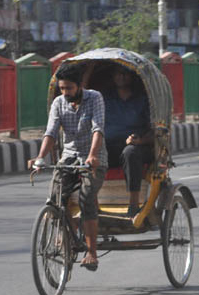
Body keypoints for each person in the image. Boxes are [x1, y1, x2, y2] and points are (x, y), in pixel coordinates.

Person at [28, 63, 107, 271]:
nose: (65, 93)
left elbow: (98, 129)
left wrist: (92, 155)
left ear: (80, 85)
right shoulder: (59, 103)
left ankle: (91, 252)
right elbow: (51, 132)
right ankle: (68, 236)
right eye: (62, 89)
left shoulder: (95, 98)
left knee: (86, 196)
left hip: (93, 158)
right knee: (55, 196)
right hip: (69, 157)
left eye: (69, 88)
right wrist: (40, 158)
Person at [102, 65, 153, 216]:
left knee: (130, 152)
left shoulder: (143, 99)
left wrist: (140, 140)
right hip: (110, 146)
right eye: (118, 74)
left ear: (131, 77)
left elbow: (155, 129)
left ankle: (133, 203)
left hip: (137, 147)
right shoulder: (105, 98)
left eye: (125, 74)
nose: (121, 77)